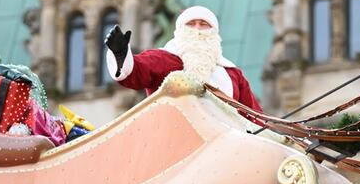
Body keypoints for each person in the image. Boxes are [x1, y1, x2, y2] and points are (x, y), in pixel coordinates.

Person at [104, 6, 263, 111]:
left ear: (214, 32)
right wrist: (121, 54)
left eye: (203, 24)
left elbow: (255, 116)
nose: (197, 29)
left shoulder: (232, 74)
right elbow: (137, 71)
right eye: (191, 24)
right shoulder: (166, 59)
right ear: (180, 30)